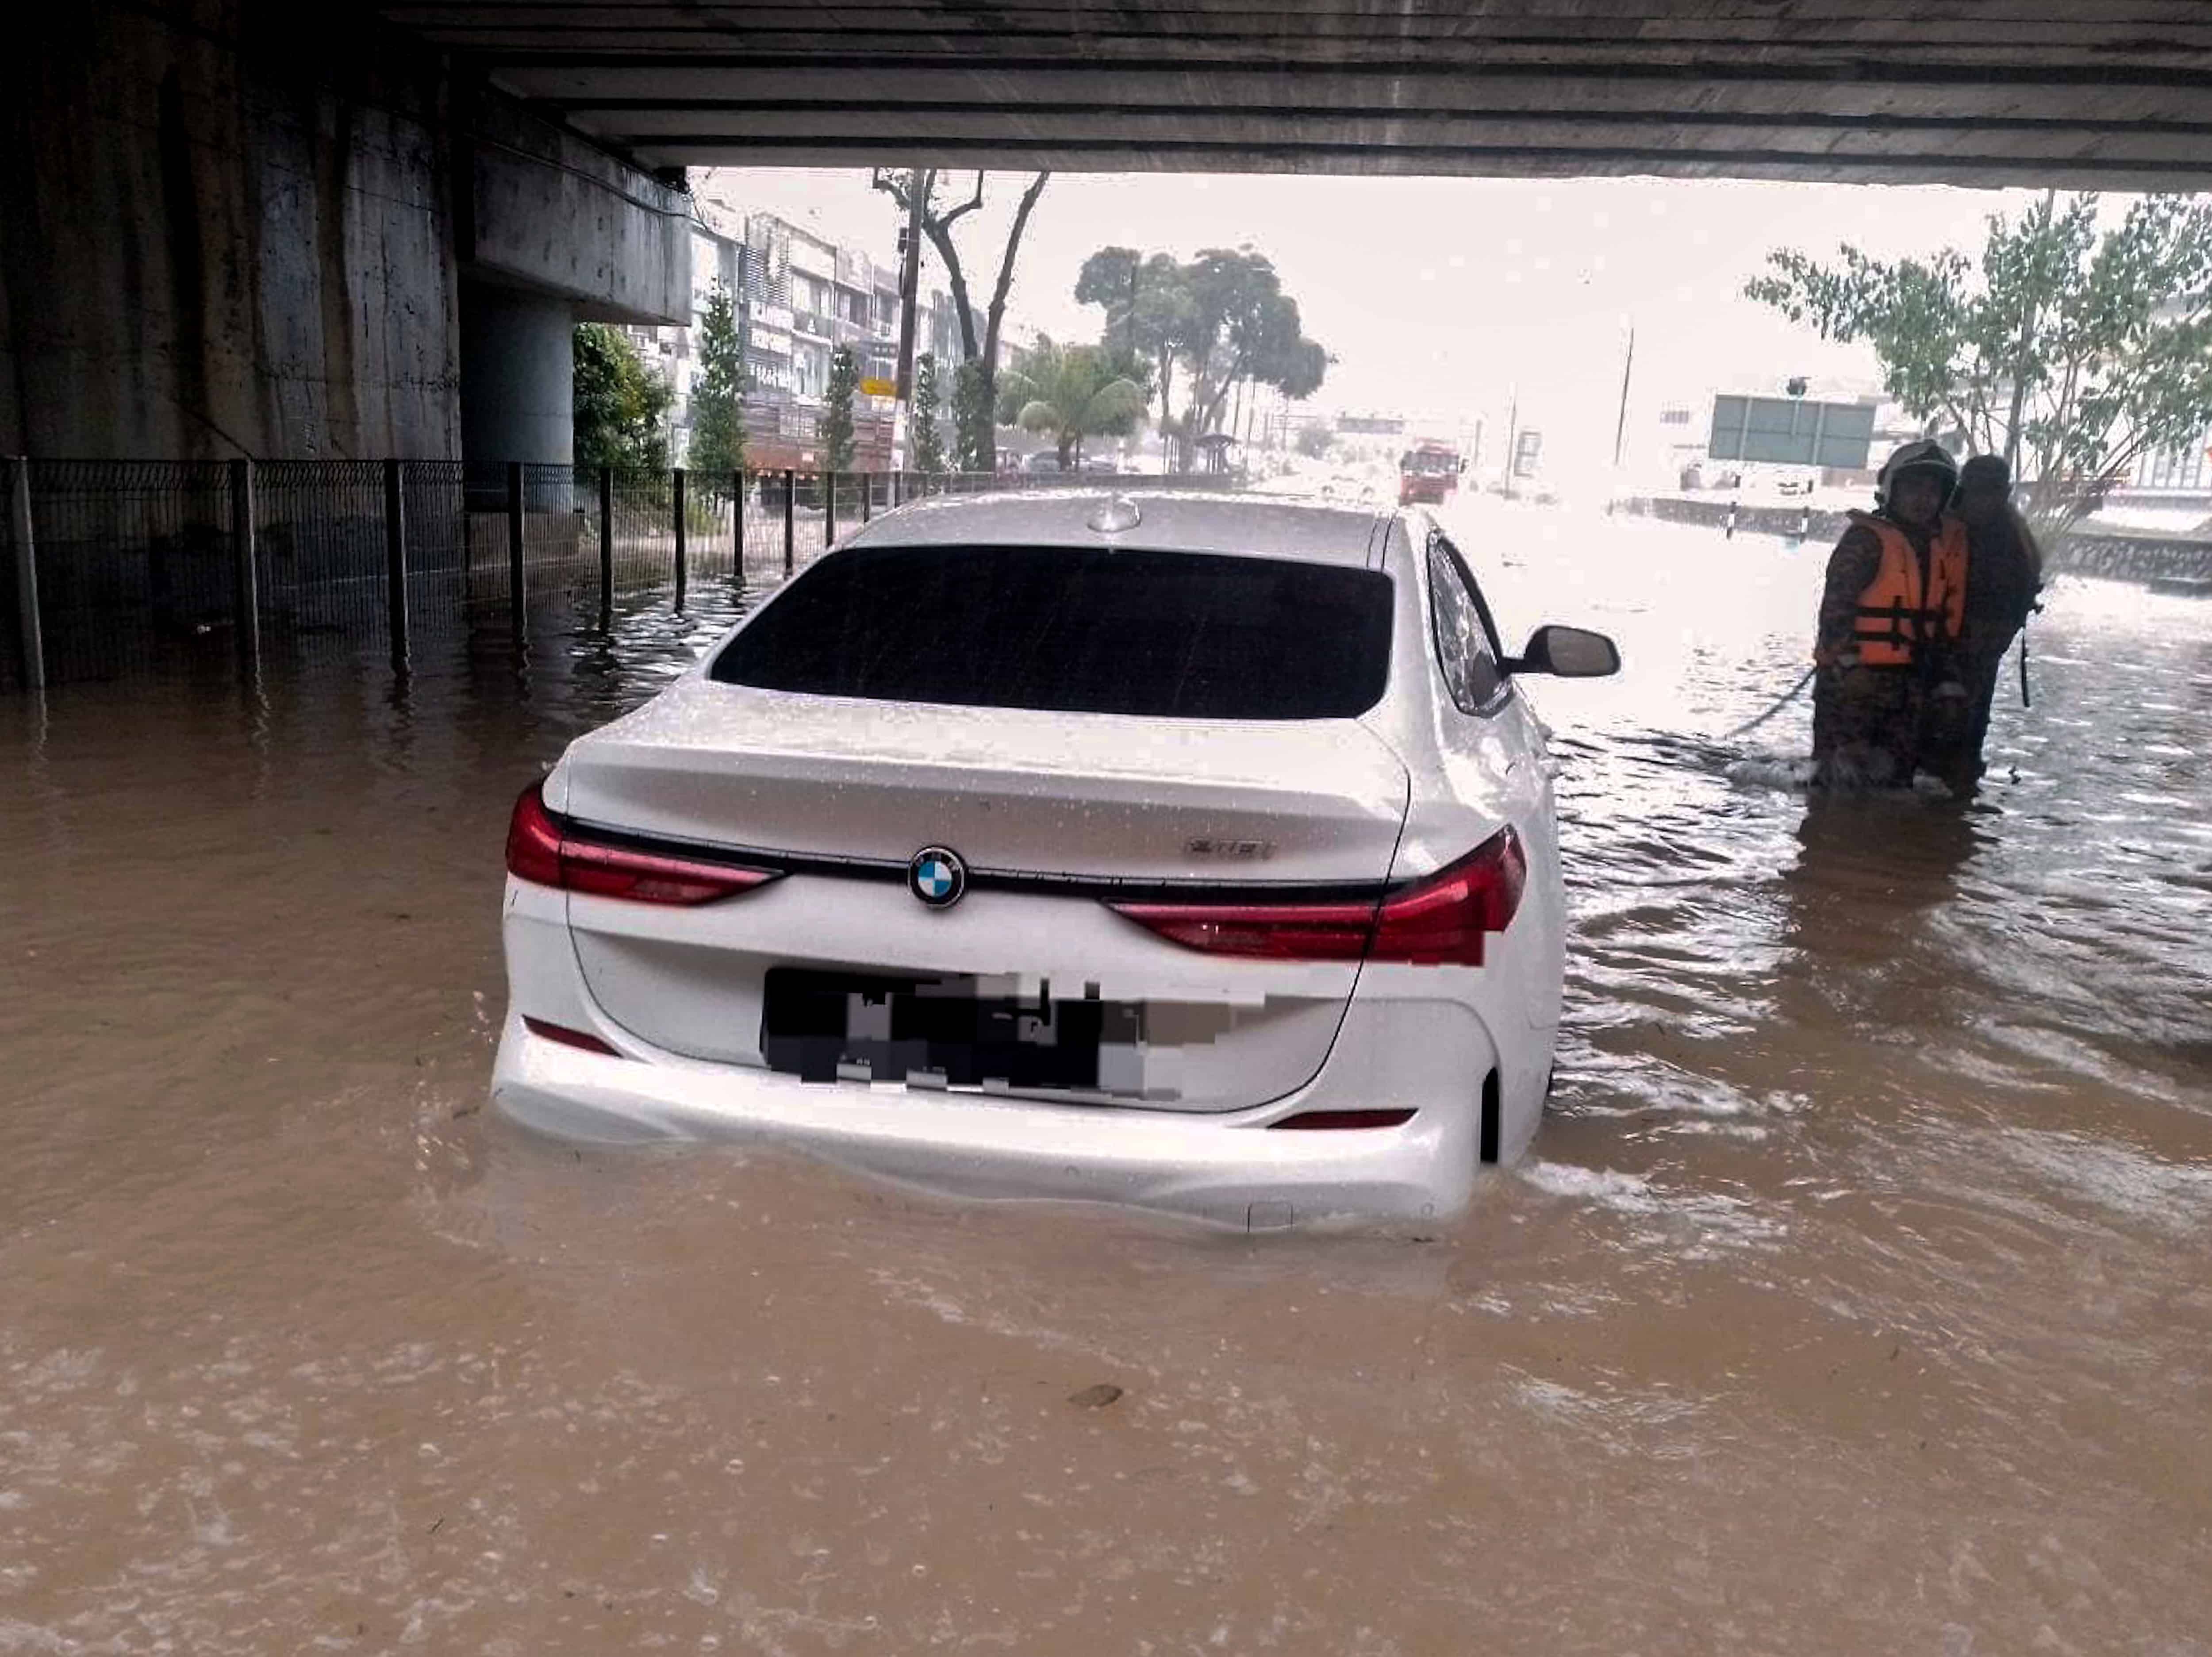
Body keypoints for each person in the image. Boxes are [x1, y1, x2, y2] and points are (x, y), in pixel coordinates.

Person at [1809, 439, 1970, 790]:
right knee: (1837, 787)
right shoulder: (1864, 541)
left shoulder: (1938, 551)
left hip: (1908, 688)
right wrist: (1849, 664)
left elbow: (1941, 625)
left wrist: (1948, 681)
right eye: (1914, 488)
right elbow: (1836, 609)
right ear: (1892, 489)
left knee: (1894, 785)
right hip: (1853, 686)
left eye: (1932, 490)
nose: (1923, 499)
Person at [1940, 455, 2044, 792]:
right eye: (1976, 492)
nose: (1982, 502)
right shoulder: (1945, 524)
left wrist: (1980, 646)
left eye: (1991, 493)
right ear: (1964, 490)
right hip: (1936, 647)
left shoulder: (2012, 541)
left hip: (1979, 649)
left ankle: (1958, 788)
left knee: (1966, 730)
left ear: (2005, 493)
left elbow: (2016, 601)